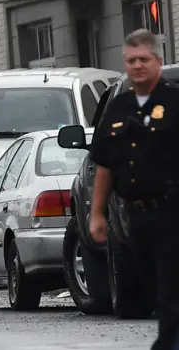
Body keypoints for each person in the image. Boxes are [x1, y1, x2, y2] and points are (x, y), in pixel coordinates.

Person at [88, 29, 179, 350]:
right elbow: (104, 165)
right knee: (155, 288)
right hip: (135, 216)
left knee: (171, 292)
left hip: (172, 211)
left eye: (144, 59)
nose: (137, 66)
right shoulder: (119, 107)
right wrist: (97, 213)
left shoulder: (174, 102)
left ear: (158, 60)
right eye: (131, 61)